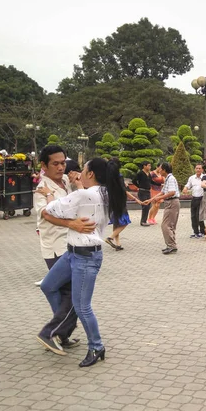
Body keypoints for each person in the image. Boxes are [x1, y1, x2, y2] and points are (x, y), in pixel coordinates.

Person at [40, 157, 126, 367]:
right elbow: (85, 199)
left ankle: (96, 346)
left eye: (83, 170)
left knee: (82, 307)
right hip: (73, 253)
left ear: (90, 174)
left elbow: (51, 210)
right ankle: (62, 328)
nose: (78, 173)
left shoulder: (84, 195)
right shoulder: (106, 192)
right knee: (48, 285)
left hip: (85, 257)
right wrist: (79, 186)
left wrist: (48, 193)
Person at [34, 145, 97, 355]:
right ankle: (53, 333)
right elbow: (47, 214)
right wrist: (73, 225)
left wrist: (77, 184)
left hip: (71, 243)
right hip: (56, 246)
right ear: (44, 165)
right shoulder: (42, 187)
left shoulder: (65, 184)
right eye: (55, 163)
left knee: (64, 292)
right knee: (72, 294)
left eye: (63, 163)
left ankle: (61, 334)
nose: (61, 167)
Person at [104, 159, 143, 251]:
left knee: (116, 221)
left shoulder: (107, 177)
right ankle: (110, 238)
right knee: (125, 222)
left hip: (111, 201)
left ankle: (117, 243)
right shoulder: (119, 176)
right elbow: (124, 191)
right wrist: (135, 198)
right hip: (120, 201)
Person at [149, 162, 180, 254]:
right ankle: (171, 245)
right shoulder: (168, 178)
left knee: (165, 225)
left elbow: (172, 192)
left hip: (172, 202)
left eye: (161, 168)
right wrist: (152, 199)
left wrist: (159, 198)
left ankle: (171, 245)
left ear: (165, 170)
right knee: (170, 225)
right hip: (171, 203)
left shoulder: (170, 179)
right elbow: (162, 192)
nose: (159, 170)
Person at [183, 164, 206, 238]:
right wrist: (185, 188)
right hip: (194, 199)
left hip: (202, 199)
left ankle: (203, 231)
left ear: (202, 170)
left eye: (200, 168)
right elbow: (187, 185)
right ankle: (196, 232)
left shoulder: (204, 177)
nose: (198, 170)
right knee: (193, 216)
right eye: (197, 168)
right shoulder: (192, 178)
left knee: (199, 216)